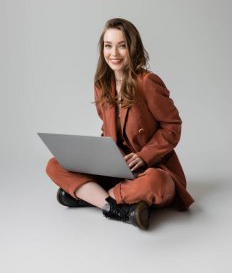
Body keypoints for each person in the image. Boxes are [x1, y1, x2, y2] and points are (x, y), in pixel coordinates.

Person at [46, 18, 194, 230]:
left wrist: (144, 156)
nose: (113, 53)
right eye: (108, 46)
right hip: (116, 168)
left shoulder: (148, 82)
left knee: (156, 183)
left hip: (152, 169)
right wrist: (98, 155)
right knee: (55, 164)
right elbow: (106, 129)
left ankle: (91, 198)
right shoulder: (101, 85)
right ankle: (119, 208)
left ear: (132, 48)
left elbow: (172, 126)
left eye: (122, 45)